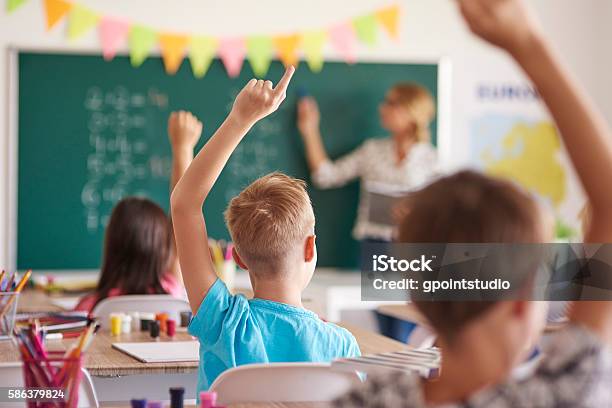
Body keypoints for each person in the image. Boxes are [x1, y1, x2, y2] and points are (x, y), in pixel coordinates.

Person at [334, 0, 612, 406]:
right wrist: (528, 44)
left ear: (414, 296)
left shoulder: (362, 401)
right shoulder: (561, 395)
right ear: (524, 301)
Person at [171, 67, 360, 394]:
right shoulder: (342, 348)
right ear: (310, 248)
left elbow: (185, 204)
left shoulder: (224, 323)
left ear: (239, 258)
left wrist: (240, 119)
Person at [75, 111, 202, 312]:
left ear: (112, 246)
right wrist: (183, 148)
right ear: (163, 247)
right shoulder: (172, 292)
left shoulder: (91, 308)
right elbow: (182, 220)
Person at [297, 82, 438, 242]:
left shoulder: (432, 161)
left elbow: (443, 211)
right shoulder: (372, 151)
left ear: (412, 111)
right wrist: (309, 130)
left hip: (414, 244)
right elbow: (325, 176)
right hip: (373, 245)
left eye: (391, 103)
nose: (382, 108)